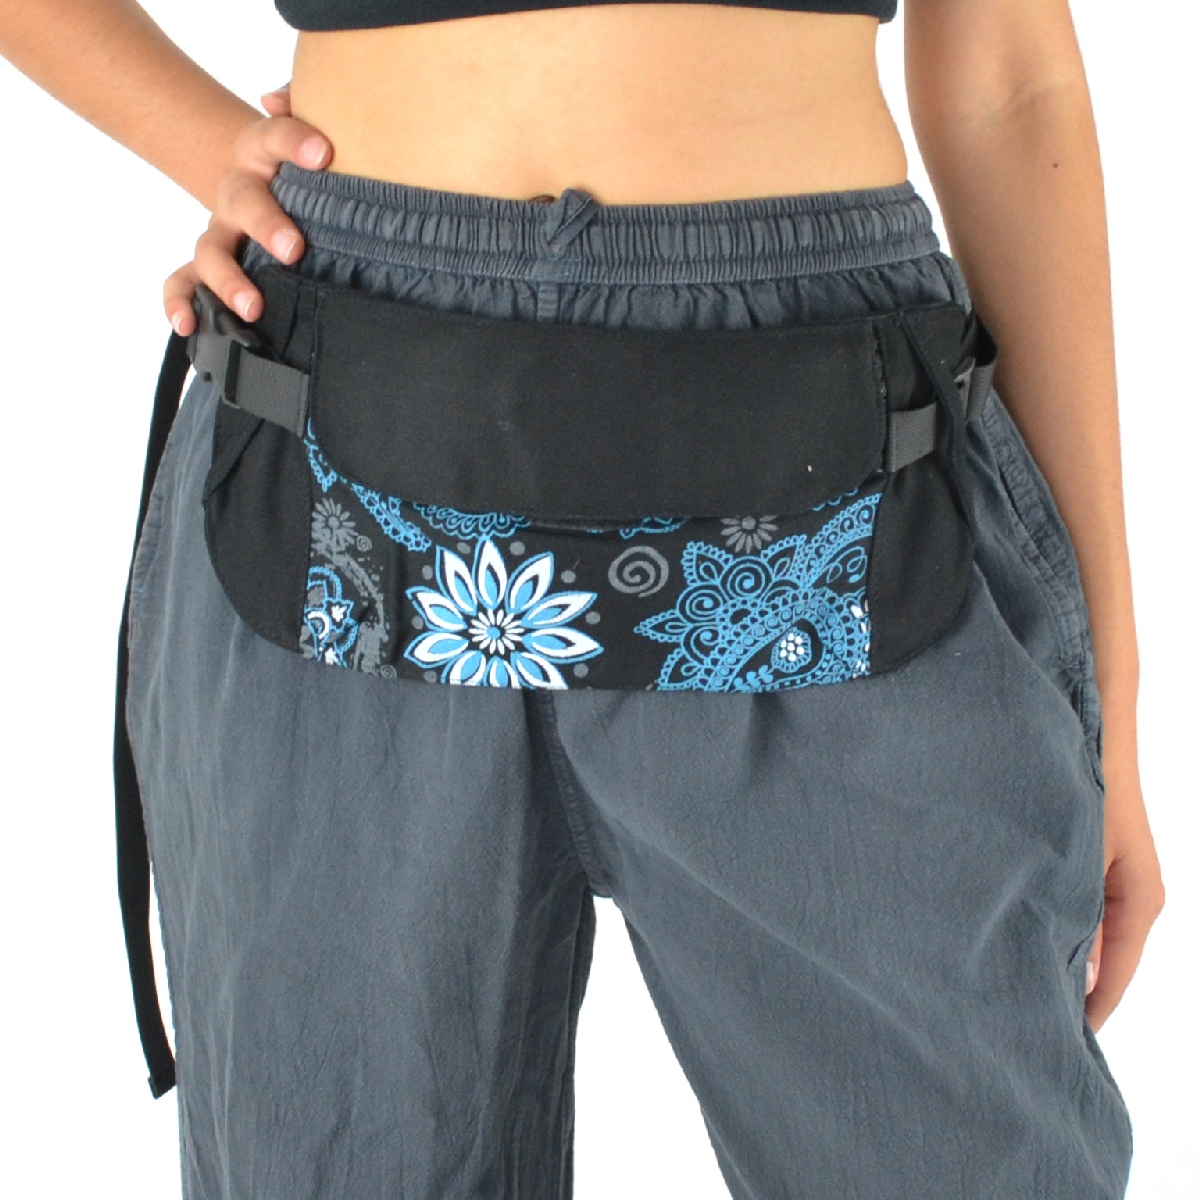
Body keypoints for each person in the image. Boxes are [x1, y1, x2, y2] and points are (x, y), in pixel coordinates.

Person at [0, 2, 1165, 1197]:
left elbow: (1010, 85)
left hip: (836, 451)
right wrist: (215, 151)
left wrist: (1112, 710)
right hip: (342, 414)